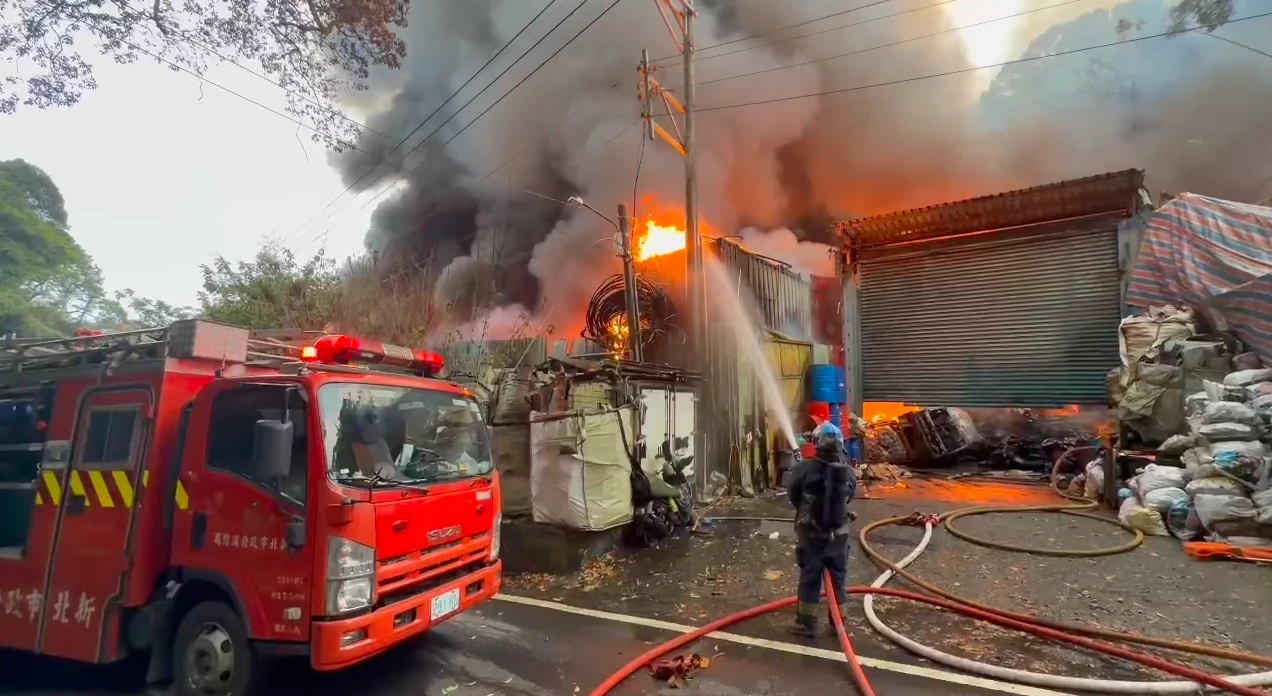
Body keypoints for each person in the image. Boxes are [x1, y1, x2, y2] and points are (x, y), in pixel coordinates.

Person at [786, 421, 857, 637]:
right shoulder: (848, 473)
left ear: (817, 443)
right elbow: (849, 496)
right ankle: (839, 622)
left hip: (812, 535)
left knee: (810, 577)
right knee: (838, 579)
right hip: (839, 535)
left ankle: (806, 623)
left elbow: (793, 495)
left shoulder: (802, 468)